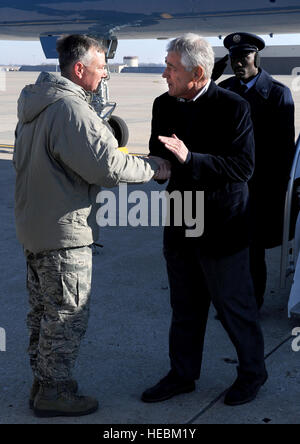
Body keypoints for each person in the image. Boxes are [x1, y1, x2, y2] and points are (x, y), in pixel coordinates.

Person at [13, 34, 170, 418]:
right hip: (65, 234)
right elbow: (108, 166)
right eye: (101, 68)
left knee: (43, 314)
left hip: (35, 229)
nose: (104, 76)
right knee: (67, 316)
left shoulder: (36, 104)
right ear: (79, 69)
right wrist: (154, 167)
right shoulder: (71, 110)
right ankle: (55, 392)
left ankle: (43, 381)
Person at [141, 33, 267, 407]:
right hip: (181, 216)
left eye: (171, 68)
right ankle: (182, 375)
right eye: (166, 66)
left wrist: (189, 158)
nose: (165, 74)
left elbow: (243, 168)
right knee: (185, 307)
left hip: (221, 224)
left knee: (234, 307)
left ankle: (252, 373)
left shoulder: (233, 107)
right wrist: (156, 167)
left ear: (197, 72)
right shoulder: (163, 104)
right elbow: (156, 152)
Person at [218, 32, 295, 310]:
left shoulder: (277, 93)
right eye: (233, 58)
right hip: (228, 185)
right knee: (229, 248)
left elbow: (285, 149)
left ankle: (251, 303)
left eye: (243, 57)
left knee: (253, 250)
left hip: (260, 187)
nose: (238, 63)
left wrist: (280, 192)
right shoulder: (225, 90)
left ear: (255, 57)